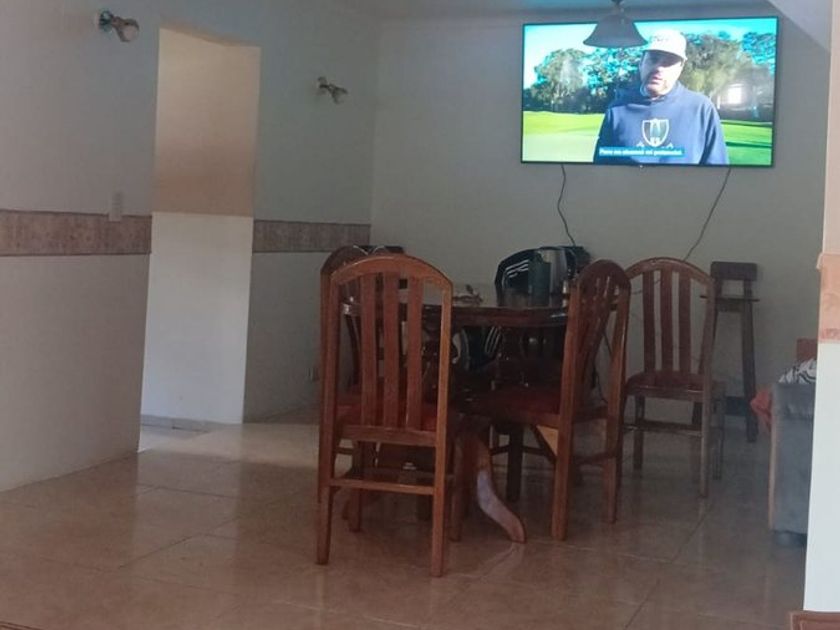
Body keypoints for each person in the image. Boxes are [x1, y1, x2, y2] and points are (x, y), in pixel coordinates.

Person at [593, 29, 729, 165]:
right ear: (641, 63)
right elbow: (601, 169)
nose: (659, 68)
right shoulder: (617, 110)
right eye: (653, 59)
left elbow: (717, 170)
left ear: (680, 68)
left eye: (669, 62)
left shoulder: (701, 109)